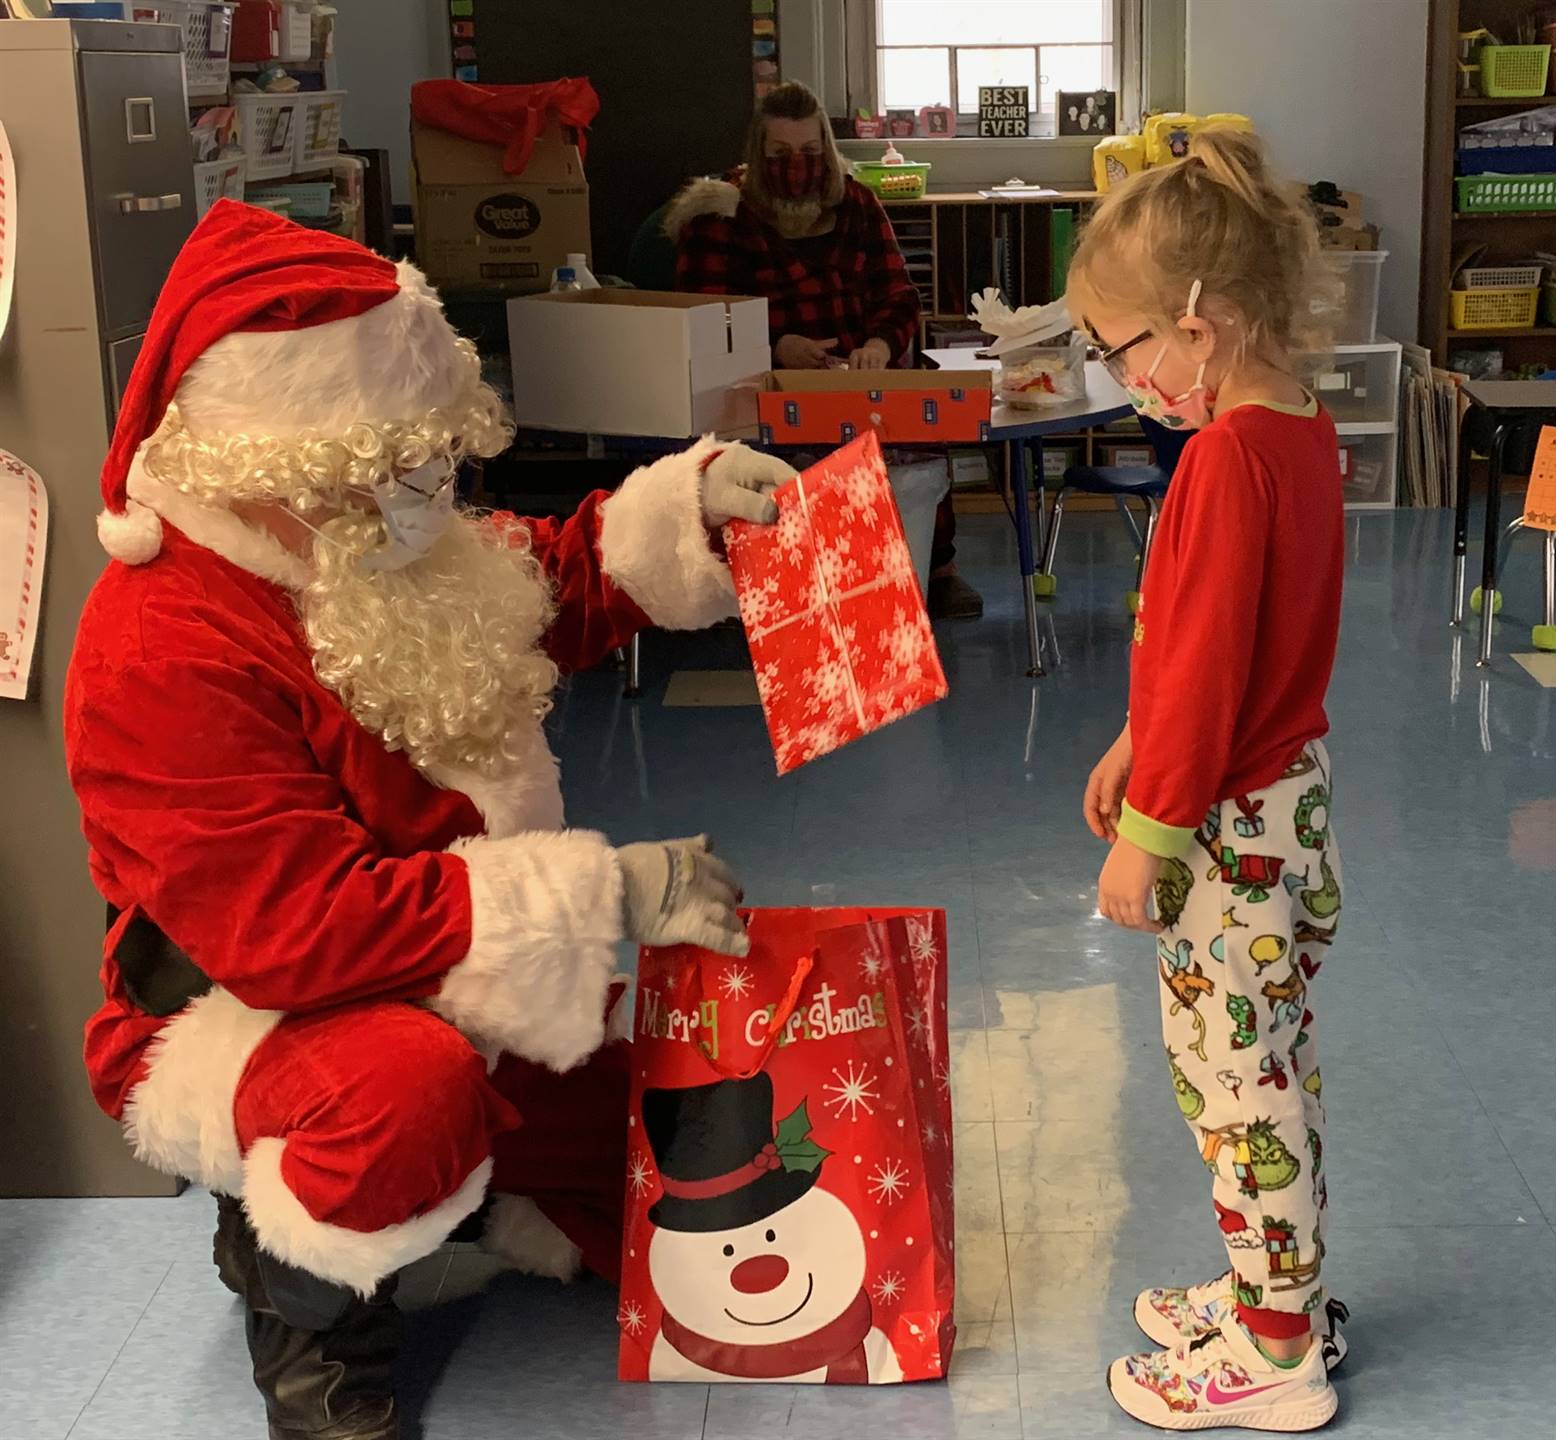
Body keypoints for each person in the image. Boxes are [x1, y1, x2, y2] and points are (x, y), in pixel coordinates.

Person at [66, 200, 790, 1440]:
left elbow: (535, 581)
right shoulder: (162, 647)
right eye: (389, 469)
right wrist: (603, 890)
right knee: (405, 1093)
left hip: (450, 960)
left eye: (429, 458)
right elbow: (297, 932)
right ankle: (306, 1313)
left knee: (692, 1107)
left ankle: (472, 1195)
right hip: (251, 1007)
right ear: (272, 461)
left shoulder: (362, 542)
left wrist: (694, 505)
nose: (424, 495)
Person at [1070, 130, 1349, 1433]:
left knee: (1236, 1088)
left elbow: (1206, 682)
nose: (1119, 378)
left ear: (1204, 322)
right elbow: (1221, 641)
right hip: (1279, 796)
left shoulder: (1228, 461)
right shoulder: (1294, 427)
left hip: (1224, 827)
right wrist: (1137, 741)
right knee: (1269, 1069)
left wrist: (1148, 828)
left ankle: (1276, 1348)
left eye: (1124, 348)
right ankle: (1270, 1290)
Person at [670, 80, 985, 620]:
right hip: (759, 393)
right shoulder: (722, 214)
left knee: (919, 434)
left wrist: (880, 344)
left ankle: (936, 565)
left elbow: (901, 295)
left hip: (859, 379)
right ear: (757, 154)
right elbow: (700, 317)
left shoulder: (856, 202)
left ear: (828, 150)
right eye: (781, 155)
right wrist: (772, 347)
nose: (798, 166)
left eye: (811, 153)